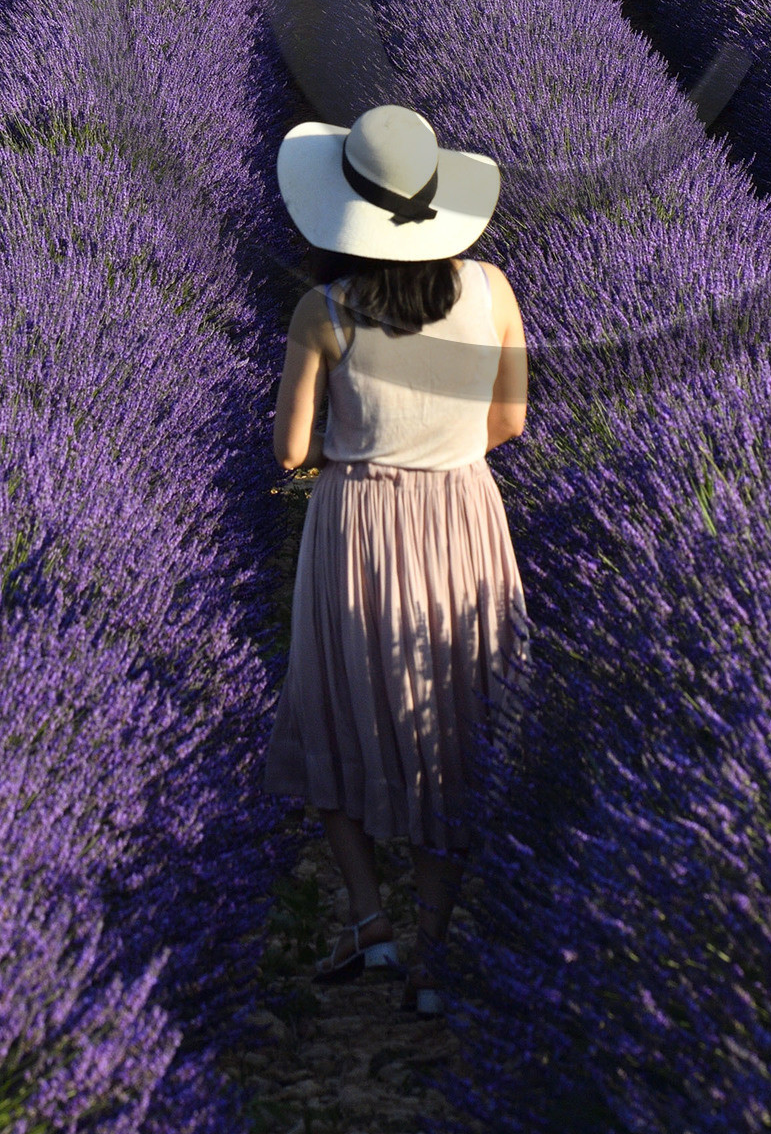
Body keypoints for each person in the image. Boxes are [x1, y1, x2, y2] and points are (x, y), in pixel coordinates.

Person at [265, 102, 529, 1016]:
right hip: (463, 522)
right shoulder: (492, 288)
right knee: (451, 722)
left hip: (360, 526)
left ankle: (371, 923)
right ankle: (435, 951)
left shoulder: (324, 310)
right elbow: (510, 423)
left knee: (341, 710)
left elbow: (292, 451)